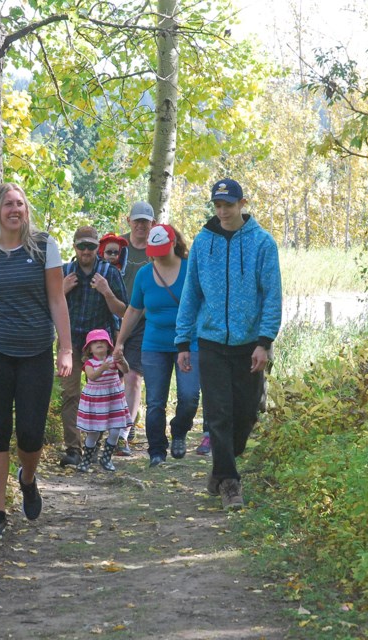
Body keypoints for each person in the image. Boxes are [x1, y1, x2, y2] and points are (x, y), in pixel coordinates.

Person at [0, 183, 74, 537]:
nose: (15, 210)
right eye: (8, 204)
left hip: (36, 351)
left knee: (31, 433)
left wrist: (65, 348)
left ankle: (28, 477)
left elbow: (57, 300)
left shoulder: (44, 247)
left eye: (20, 204)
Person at [175, 179, 282, 510]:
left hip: (249, 344)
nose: (222, 211)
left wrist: (264, 342)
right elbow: (191, 293)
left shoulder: (263, 244)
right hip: (210, 342)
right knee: (219, 413)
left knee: (246, 414)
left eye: (228, 205)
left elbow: (272, 295)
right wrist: (182, 341)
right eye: (218, 205)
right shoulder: (203, 242)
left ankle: (221, 467)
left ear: (242, 204)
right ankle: (231, 485)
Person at [114, 224, 201, 467]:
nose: (158, 254)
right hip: (154, 344)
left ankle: (179, 431)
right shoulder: (144, 274)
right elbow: (133, 310)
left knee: (190, 396)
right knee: (155, 402)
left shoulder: (189, 269)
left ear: (174, 243)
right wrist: (120, 342)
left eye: (163, 248)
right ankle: (156, 451)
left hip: (189, 342)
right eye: (155, 249)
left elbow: (204, 304)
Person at [58, 226, 129, 467]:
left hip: (100, 347)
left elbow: (124, 311)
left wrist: (106, 292)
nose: (86, 251)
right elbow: (48, 306)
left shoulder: (109, 273)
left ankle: (99, 442)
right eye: (81, 246)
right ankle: (74, 449)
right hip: (70, 343)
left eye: (90, 246)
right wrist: (62, 291)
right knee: (70, 394)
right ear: (74, 247)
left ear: (96, 247)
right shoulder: (65, 272)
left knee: (105, 394)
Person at [116, 202, 155, 454]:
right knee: (111, 376)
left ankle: (123, 434)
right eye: (137, 220)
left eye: (146, 221)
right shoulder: (117, 246)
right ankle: (104, 428)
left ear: (153, 223)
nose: (141, 225)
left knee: (133, 377)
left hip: (143, 322)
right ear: (128, 220)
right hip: (112, 319)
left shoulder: (157, 249)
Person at [75, 329, 131, 472]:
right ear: (89, 348)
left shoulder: (113, 360)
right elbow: (92, 376)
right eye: (95, 342)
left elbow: (125, 370)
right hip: (96, 400)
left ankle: (106, 458)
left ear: (108, 346)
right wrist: (103, 367)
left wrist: (122, 360)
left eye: (102, 341)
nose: (99, 343)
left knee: (115, 429)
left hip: (113, 398)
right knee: (93, 432)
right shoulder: (89, 363)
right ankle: (86, 460)